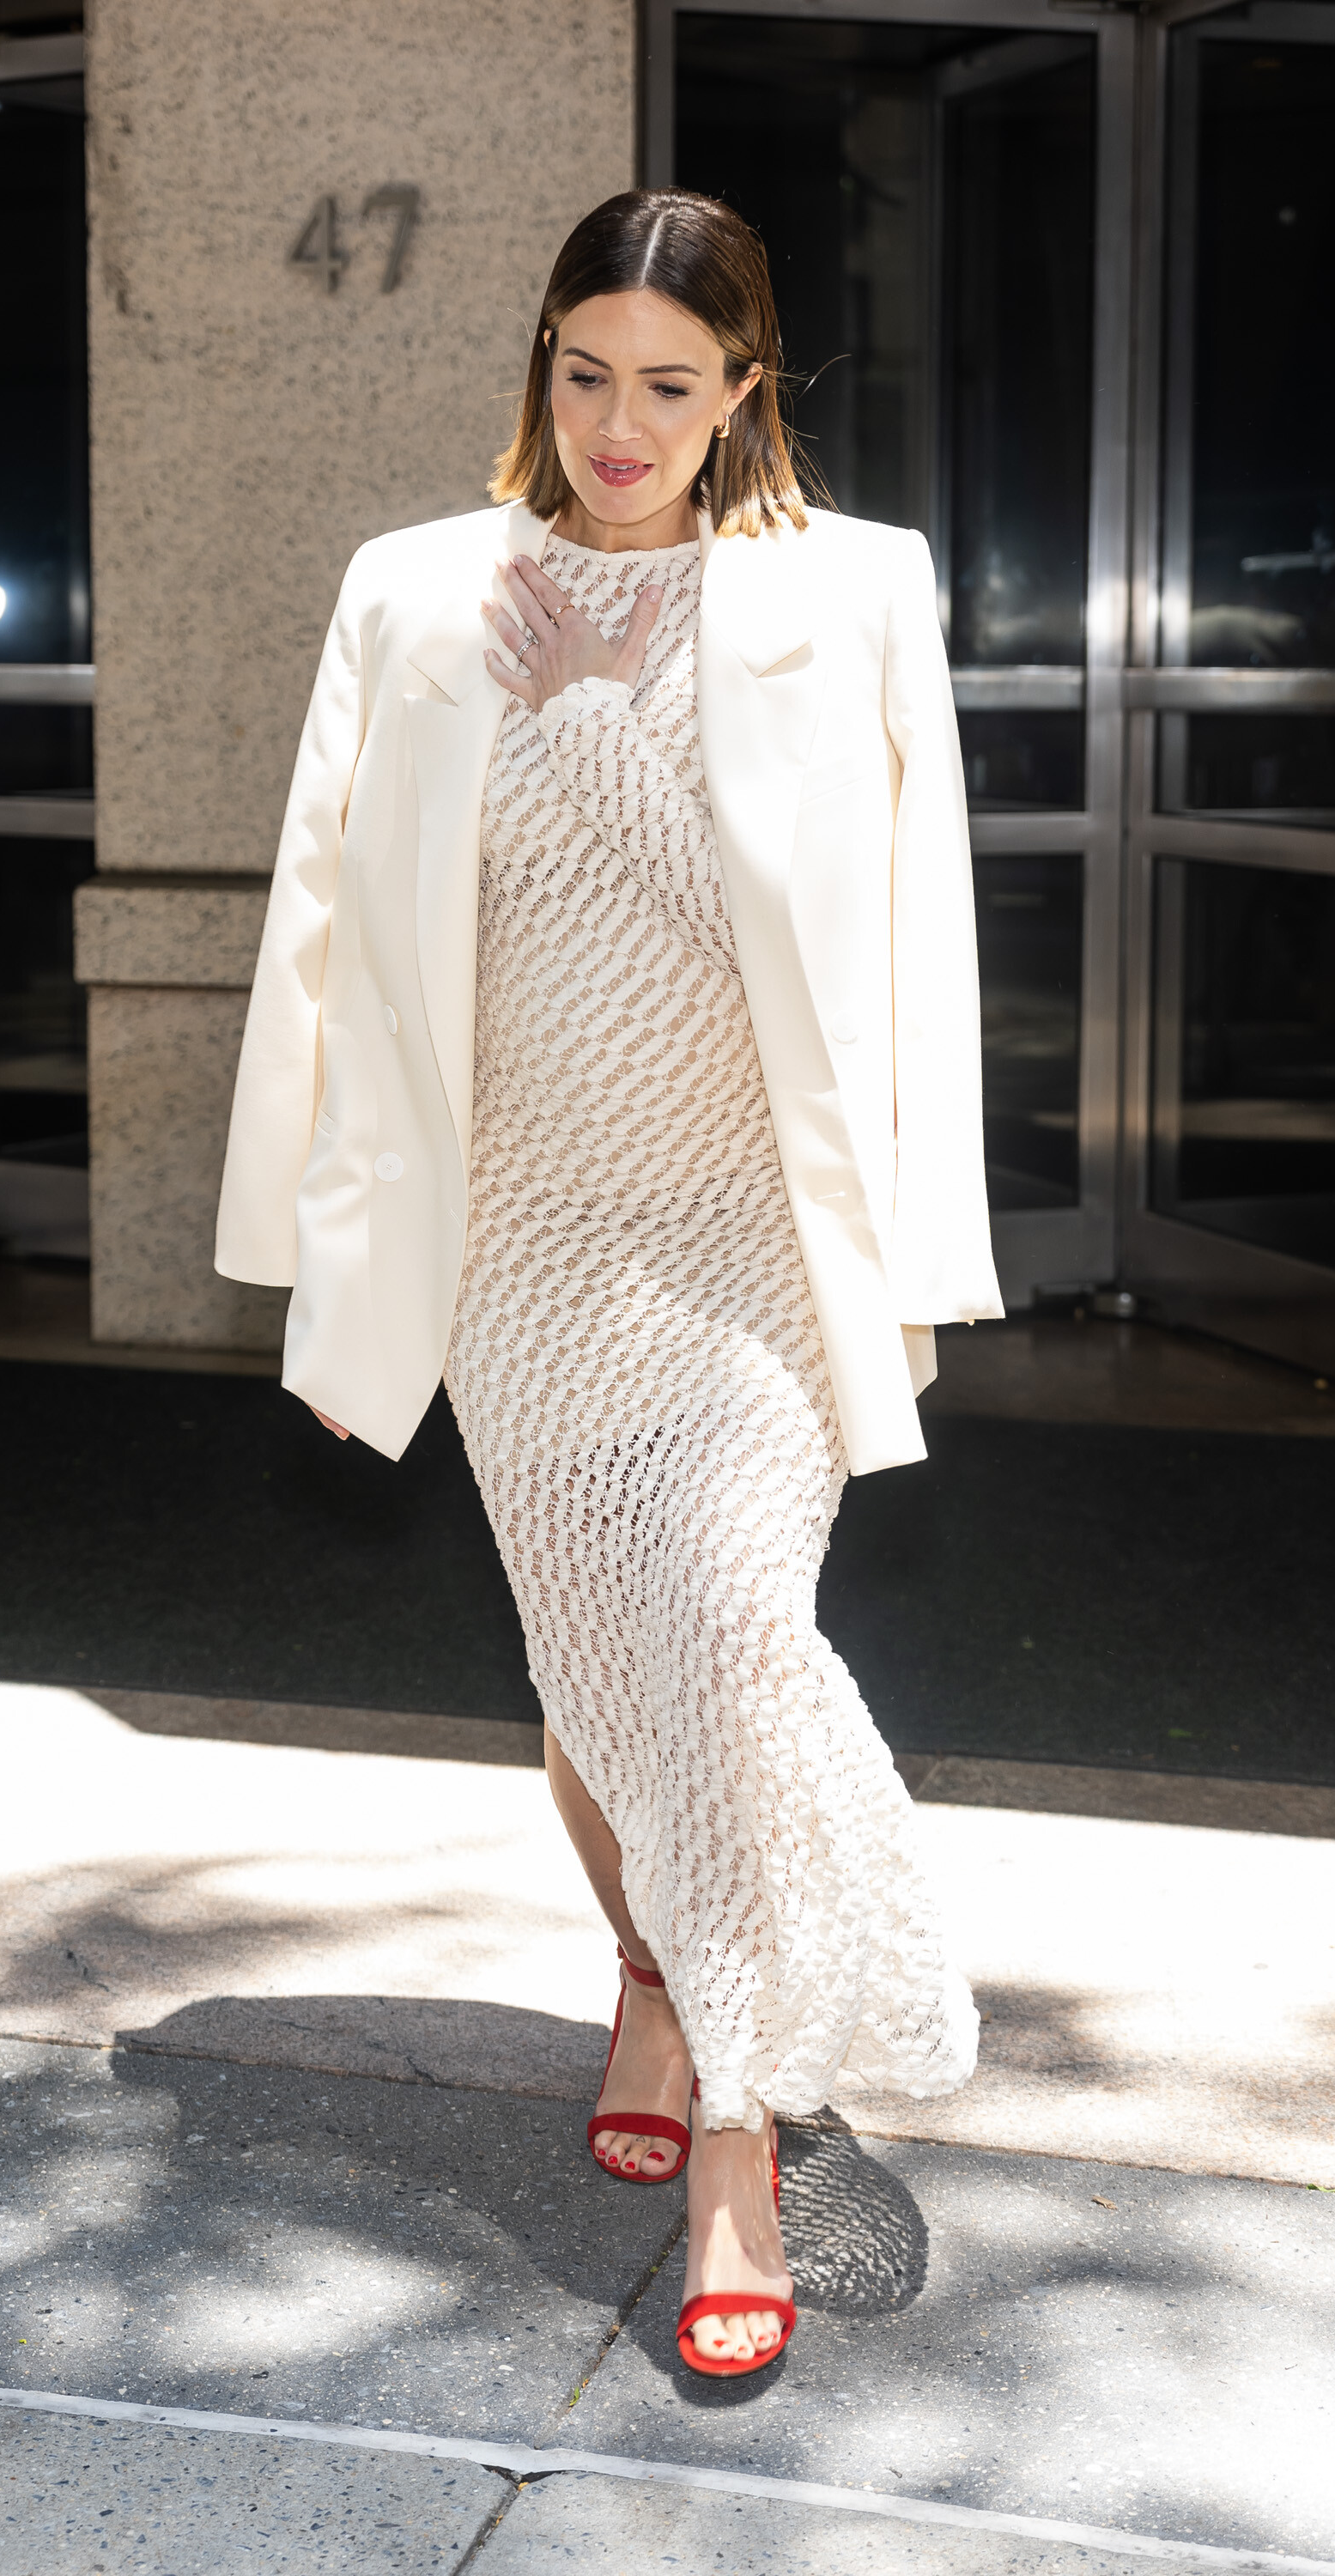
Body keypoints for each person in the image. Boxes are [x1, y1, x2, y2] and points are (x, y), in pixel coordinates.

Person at [215, 189, 1002, 2379]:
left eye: (669, 383)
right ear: (540, 366)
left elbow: (879, 950)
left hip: (750, 1233)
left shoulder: (850, 593)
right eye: (583, 374)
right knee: (592, 1676)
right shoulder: (413, 591)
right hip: (526, 1244)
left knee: (731, 1641)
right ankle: (656, 1974)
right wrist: (329, 1273)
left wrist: (588, 716)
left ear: (746, 386)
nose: (619, 425)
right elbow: (326, 939)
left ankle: (739, 2143)